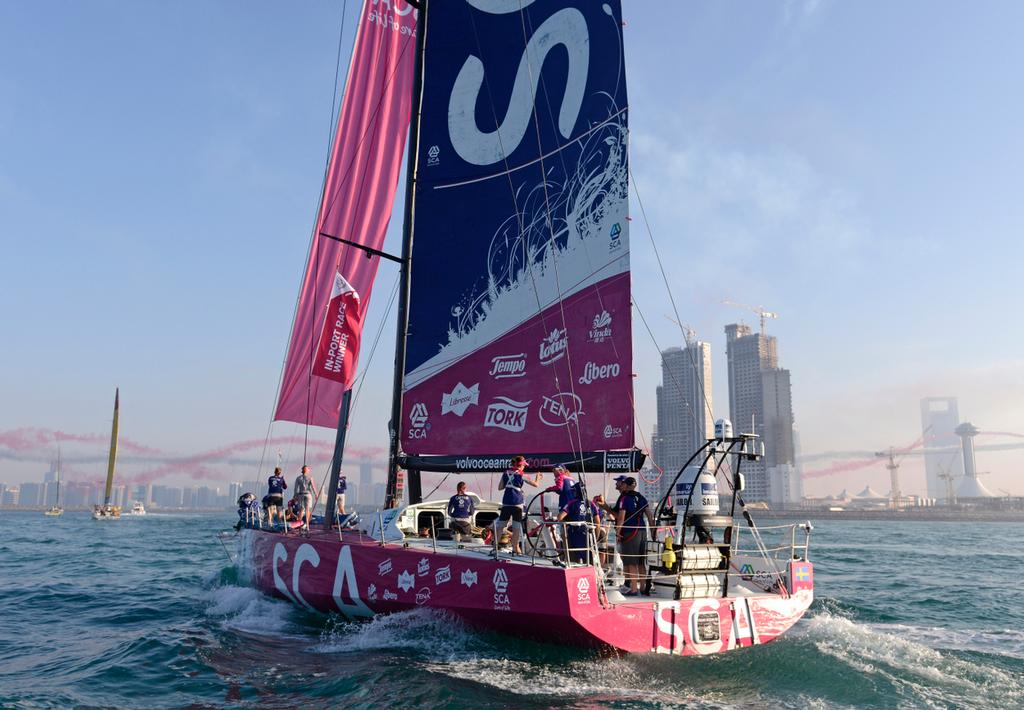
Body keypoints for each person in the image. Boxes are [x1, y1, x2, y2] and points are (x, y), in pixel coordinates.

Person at [614, 477, 655, 596]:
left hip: (630, 532)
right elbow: (649, 515)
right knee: (641, 561)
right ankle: (642, 588)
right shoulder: (641, 497)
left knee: (631, 562)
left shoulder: (624, 498)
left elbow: (621, 517)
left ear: (626, 486)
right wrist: (653, 531)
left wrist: (617, 531)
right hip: (642, 531)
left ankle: (633, 589)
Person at [494, 455, 541, 555]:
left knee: (500, 526)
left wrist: (509, 484)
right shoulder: (522, 474)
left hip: (506, 503)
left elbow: (500, 487)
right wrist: (538, 478)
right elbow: (536, 485)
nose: (525, 467)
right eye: (524, 465)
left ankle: (495, 548)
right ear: (521, 465)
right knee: (516, 527)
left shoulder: (506, 472)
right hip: (517, 503)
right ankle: (516, 548)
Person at [557, 485, 601, 564]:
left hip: (574, 536)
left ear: (576, 492)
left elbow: (560, 517)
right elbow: (598, 522)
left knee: (573, 562)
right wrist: (595, 538)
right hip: (588, 537)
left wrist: (566, 524)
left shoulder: (571, 503)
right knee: (589, 562)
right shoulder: (591, 504)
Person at [293, 465, 317, 530]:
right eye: (308, 469)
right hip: (308, 494)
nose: (309, 470)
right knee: (307, 509)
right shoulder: (310, 477)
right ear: (307, 470)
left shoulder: (298, 478)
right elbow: (313, 487)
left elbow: (296, 488)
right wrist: (316, 495)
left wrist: (295, 496)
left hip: (301, 494)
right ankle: (307, 525)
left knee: (301, 510)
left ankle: (299, 524)